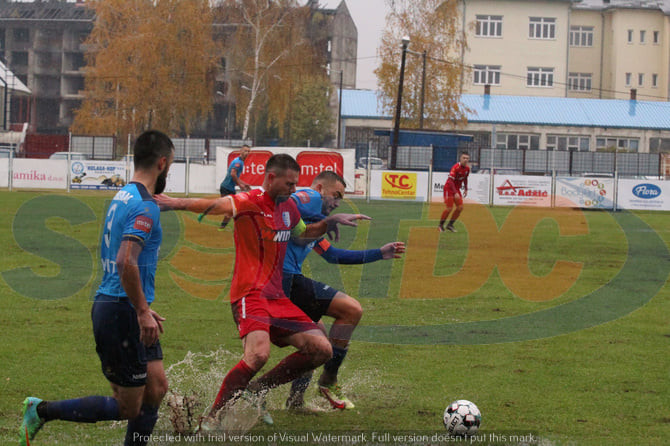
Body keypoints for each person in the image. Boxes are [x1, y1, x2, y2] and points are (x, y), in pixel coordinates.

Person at [155, 154, 369, 428]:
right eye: (289, 184)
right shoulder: (250, 201)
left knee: (321, 349)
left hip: (277, 297)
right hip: (249, 294)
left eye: (296, 184)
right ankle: (212, 418)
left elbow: (302, 234)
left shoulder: (289, 207)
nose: (294, 189)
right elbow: (217, 204)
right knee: (258, 355)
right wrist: (174, 203)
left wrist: (328, 222)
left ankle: (256, 390)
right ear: (271, 178)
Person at [19, 130, 175, 446]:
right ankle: (41, 410)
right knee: (128, 406)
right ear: (162, 163)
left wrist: (142, 305)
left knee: (156, 388)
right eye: (170, 165)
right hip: (120, 312)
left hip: (124, 305)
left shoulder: (124, 195)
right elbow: (125, 261)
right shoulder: (144, 206)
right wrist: (141, 310)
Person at [283, 171, 405, 411]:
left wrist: (379, 253)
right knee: (351, 310)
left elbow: (332, 255)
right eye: (336, 195)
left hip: (287, 282)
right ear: (320, 188)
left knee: (317, 343)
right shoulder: (311, 196)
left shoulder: (311, 226)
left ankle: (295, 401)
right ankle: (328, 381)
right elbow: (288, 203)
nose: (337, 203)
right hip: (284, 279)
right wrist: (331, 219)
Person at [218, 145, 252, 229]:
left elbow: (235, 176)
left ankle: (222, 227)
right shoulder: (238, 162)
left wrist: (244, 184)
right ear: (241, 151)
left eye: (248, 151)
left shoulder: (240, 161)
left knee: (230, 209)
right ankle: (223, 226)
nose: (247, 153)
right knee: (231, 209)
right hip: (226, 188)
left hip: (228, 188)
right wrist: (240, 185)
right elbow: (233, 174)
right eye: (245, 151)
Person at [439, 152, 470, 233]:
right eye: (464, 158)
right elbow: (450, 181)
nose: (465, 160)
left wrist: (466, 189)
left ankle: (450, 225)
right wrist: (455, 192)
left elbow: (465, 178)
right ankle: (440, 225)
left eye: (467, 158)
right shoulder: (455, 167)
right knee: (449, 208)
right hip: (449, 189)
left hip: (456, 189)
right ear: (460, 158)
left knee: (460, 207)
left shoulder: (467, 169)